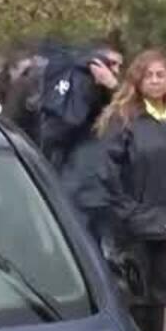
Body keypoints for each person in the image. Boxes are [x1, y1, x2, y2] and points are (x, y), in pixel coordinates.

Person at [101, 50, 166, 331]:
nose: (156, 81)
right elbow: (108, 170)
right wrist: (128, 212)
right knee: (136, 289)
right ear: (138, 80)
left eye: (161, 75)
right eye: (149, 75)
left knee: (162, 287)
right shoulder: (124, 119)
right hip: (135, 222)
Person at [37, 45, 124, 250]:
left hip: (84, 185)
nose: (117, 71)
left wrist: (113, 86)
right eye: (113, 64)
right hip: (90, 187)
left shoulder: (98, 97)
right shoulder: (87, 94)